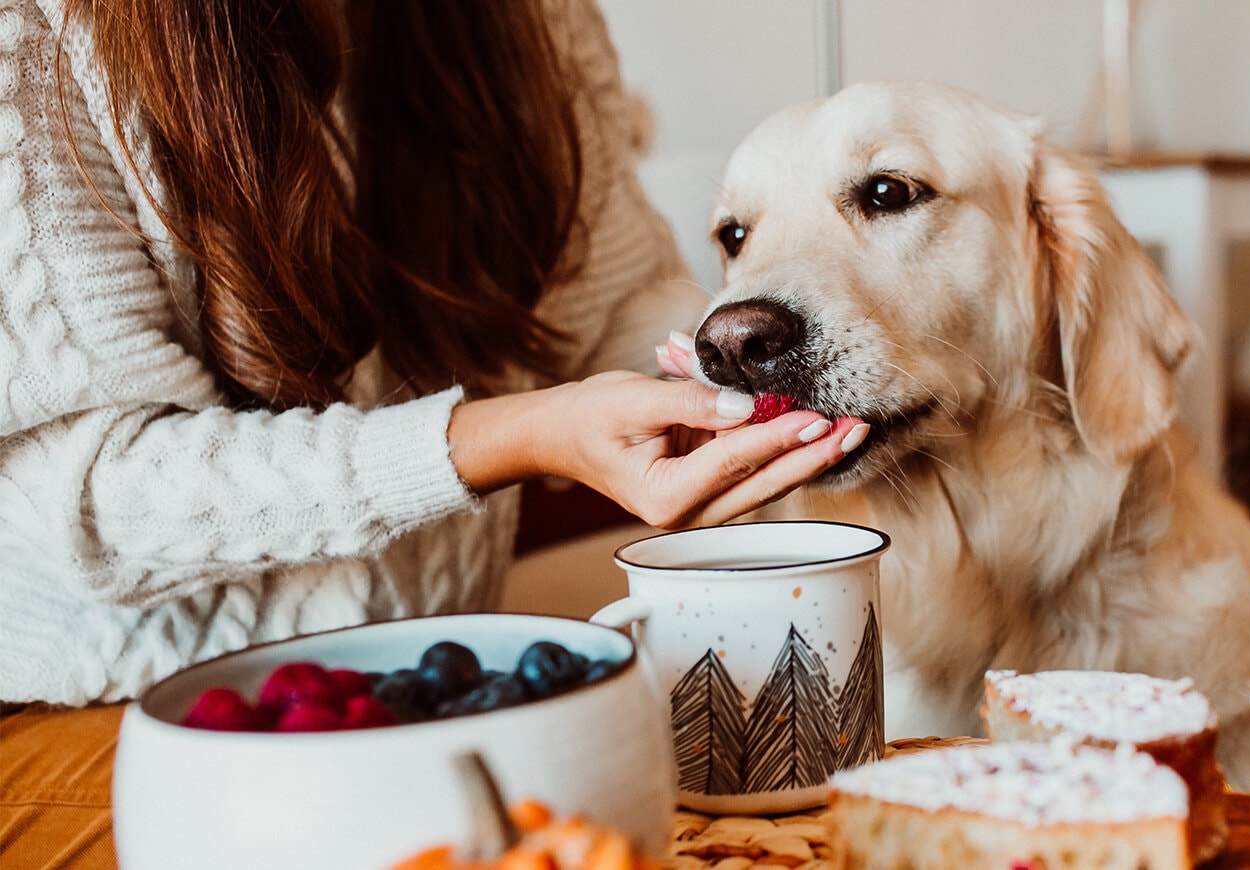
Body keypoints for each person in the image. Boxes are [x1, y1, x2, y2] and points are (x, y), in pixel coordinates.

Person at [0, 1, 863, 864]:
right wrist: (501, 438)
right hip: (103, 725)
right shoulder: (30, 37)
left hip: (428, 705)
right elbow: (94, 500)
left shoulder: (533, 19)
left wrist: (777, 356)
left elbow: (622, 308)